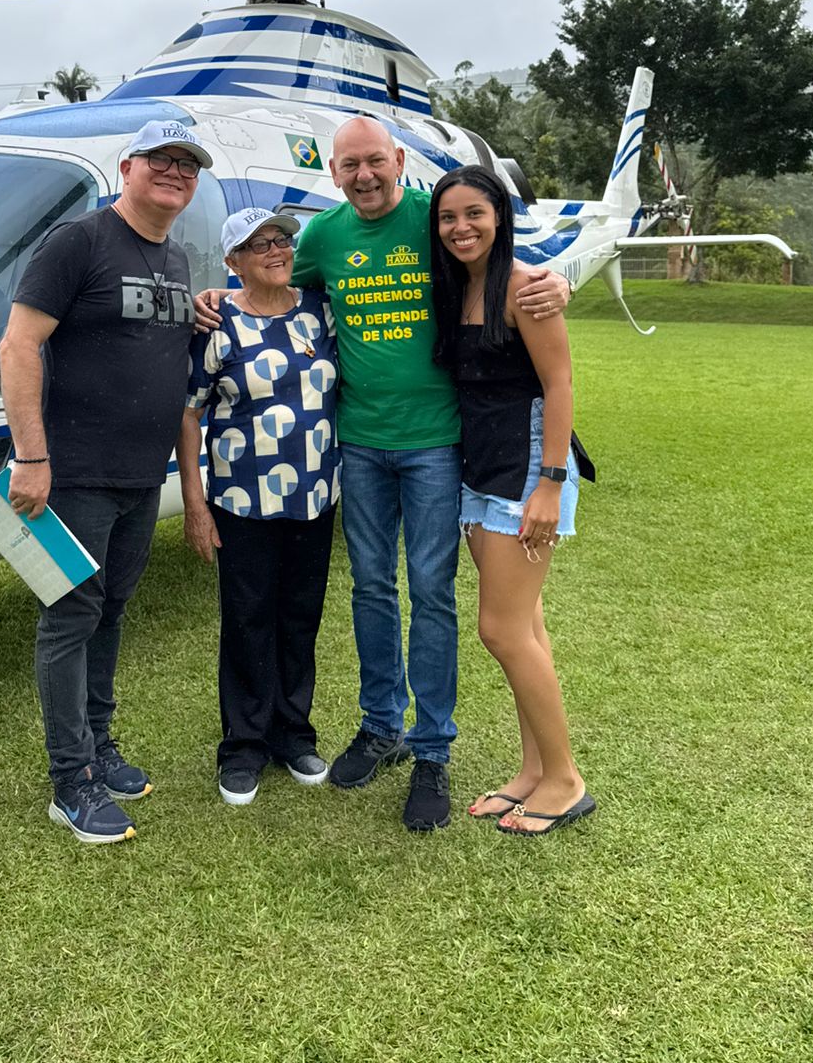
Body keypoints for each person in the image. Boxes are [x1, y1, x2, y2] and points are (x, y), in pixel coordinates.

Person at [198, 116, 570, 832]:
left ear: (398, 160)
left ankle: (432, 749)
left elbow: (496, 259)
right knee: (371, 588)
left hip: (437, 444)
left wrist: (555, 284)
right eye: (350, 166)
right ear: (333, 172)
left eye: (375, 161)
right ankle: (380, 727)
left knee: (432, 593)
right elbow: (268, 282)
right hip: (360, 444)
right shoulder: (322, 237)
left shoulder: (435, 221)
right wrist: (212, 298)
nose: (364, 175)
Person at [0, 119, 211, 844]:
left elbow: (159, 349)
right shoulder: (79, 242)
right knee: (70, 616)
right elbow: (18, 344)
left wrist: (204, 310)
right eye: (160, 159)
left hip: (141, 476)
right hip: (75, 473)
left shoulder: (176, 258)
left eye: (187, 164)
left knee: (111, 609)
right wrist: (32, 457)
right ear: (127, 167)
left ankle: (97, 744)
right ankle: (71, 780)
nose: (175, 172)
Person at [430, 164, 595, 836]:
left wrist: (550, 485)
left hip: (527, 469)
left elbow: (559, 384)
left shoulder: (525, 288)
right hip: (481, 466)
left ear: (499, 215)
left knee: (500, 630)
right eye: (448, 217)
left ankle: (565, 781)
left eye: (475, 213)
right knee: (526, 626)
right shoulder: (460, 285)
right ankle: (534, 770)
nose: (461, 227)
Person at [176, 207, 339, 806]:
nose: (276, 250)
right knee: (247, 619)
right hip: (242, 502)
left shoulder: (320, 310)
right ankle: (243, 745)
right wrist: (195, 503)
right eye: (258, 244)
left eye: (281, 240)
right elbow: (188, 413)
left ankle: (293, 733)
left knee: (300, 617)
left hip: (315, 497)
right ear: (233, 261)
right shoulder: (216, 324)